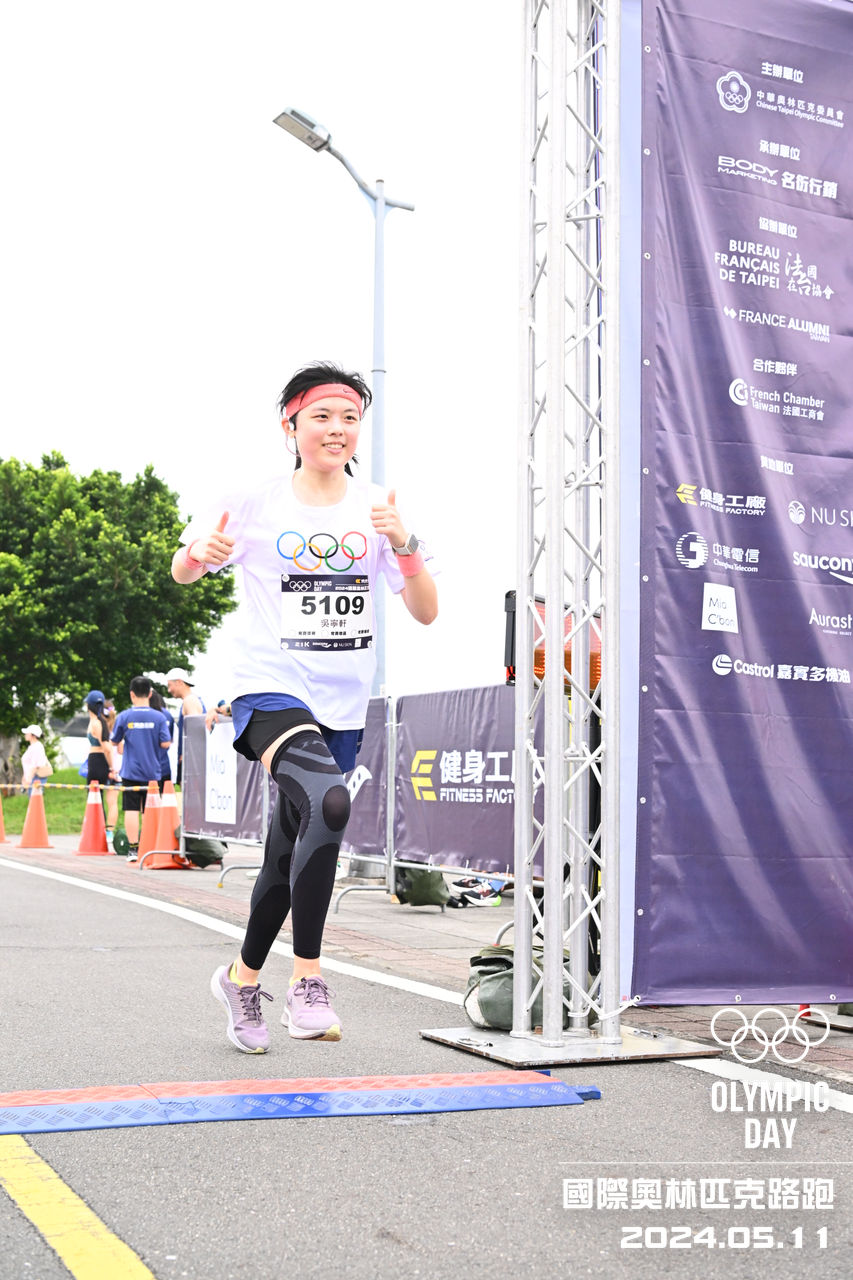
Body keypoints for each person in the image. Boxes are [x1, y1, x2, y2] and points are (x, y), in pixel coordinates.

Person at [171, 361, 438, 1053]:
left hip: (341, 706)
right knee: (330, 801)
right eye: (321, 416)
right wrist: (199, 552)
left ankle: (241, 978)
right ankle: (308, 983)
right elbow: (183, 569)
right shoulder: (252, 500)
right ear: (290, 426)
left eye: (349, 418)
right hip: (268, 689)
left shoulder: (377, 508)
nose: (336, 429)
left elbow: (426, 611)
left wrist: (404, 544)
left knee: (288, 851)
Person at [111, 676, 172, 861]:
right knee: (150, 810)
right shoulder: (159, 717)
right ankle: (149, 846)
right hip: (152, 772)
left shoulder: (124, 716)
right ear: (150, 694)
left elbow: (114, 741)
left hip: (130, 772)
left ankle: (133, 849)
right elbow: (166, 743)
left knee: (131, 809)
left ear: (132, 694)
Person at [84, 690, 119, 844]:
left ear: (89, 705)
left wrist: (111, 767)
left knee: (95, 797)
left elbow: (107, 747)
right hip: (95, 760)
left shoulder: (97, 723)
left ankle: (100, 831)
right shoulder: (96, 721)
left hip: (99, 760)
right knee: (95, 797)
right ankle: (98, 830)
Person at [165, 668, 205, 784]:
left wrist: (187, 755)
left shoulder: (190, 700)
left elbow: (196, 731)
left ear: (179, 682)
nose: (169, 690)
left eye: (170, 685)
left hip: (192, 759)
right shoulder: (190, 700)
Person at [149, 688, 176, 789]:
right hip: (164, 763)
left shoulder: (142, 714)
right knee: (164, 795)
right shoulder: (167, 715)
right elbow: (169, 739)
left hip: (145, 765)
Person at [20, 725, 50, 793]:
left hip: (36, 777)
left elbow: (36, 766)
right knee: (32, 798)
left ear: (33, 735)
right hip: (32, 777)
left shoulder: (37, 747)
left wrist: (28, 779)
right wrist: (24, 777)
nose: (25, 735)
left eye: (27, 733)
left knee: (35, 798)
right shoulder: (32, 747)